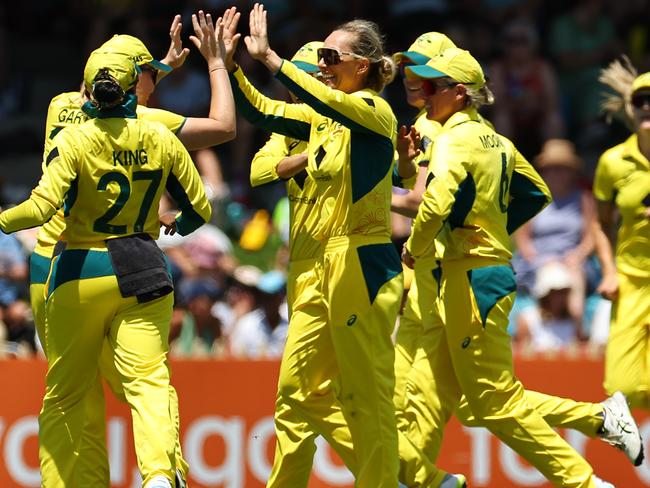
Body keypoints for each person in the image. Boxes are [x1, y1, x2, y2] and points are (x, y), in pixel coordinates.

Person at [390, 35, 642, 488]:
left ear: (456, 91)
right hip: (457, 276)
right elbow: (535, 193)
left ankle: (585, 481)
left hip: (462, 276)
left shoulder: (445, 134)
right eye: (412, 77)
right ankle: (598, 421)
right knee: (457, 403)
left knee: (487, 401)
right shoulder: (497, 140)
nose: (416, 88)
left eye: (427, 82)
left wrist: (413, 236)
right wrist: (486, 225)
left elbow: (431, 201)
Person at [28, 11, 235, 487]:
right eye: (149, 76)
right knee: (145, 383)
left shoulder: (60, 106)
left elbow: (106, 82)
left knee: (72, 397)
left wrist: (155, 64)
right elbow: (223, 127)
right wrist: (217, 63)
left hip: (52, 266)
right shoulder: (145, 121)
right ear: (135, 81)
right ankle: (164, 474)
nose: (156, 84)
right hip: (119, 261)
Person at [227, 5, 403, 486]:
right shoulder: (322, 120)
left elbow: (316, 99)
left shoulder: (373, 111)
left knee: (365, 395)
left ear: (361, 67)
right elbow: (261, 111)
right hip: (326, 263)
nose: (322, 64)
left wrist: (272, 59)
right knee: (295, 392)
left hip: (363, 259)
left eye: (330, 56)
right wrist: (227, 65)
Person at [595, 59, 650, 410]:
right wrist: (609, 271)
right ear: (630, 108)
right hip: (630, 281)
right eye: (640, 100)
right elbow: (601, 224)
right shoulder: (612, 162)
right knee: (622, 389)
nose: (647, 107)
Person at [512, 138, 597, 328]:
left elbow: (592, 236)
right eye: (551, 168)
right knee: (549, 277)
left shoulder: (583, 199)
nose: (556, 174)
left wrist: (577, 255)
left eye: (562, 168)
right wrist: (540, 258)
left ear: (571, 172)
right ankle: (542, 337)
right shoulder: (534, 199)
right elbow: (522, 238)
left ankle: (576, 333)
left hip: (573, 260)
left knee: (574, 278)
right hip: (538, 261)